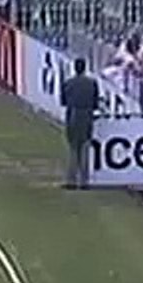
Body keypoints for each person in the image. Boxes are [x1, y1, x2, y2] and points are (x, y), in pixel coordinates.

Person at [60, 58, 100, 189]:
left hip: (73, 115)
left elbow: (63, 101)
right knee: (85, 148)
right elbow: (95, 103)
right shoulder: (92, 83)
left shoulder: (68, 83)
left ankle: (71, 180)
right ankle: (84, 181)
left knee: (73, 148)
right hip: (87, 115)